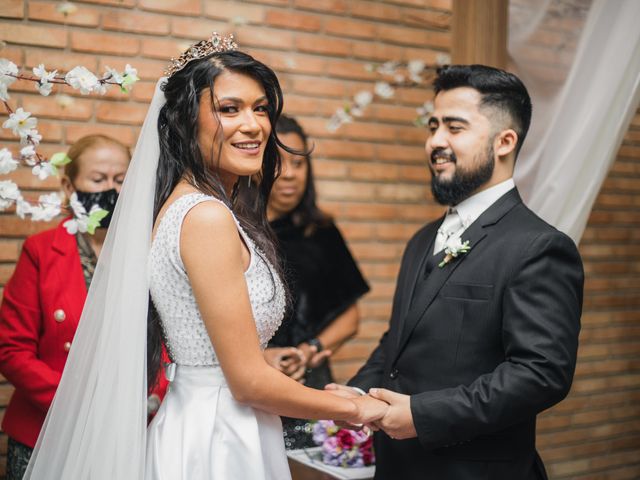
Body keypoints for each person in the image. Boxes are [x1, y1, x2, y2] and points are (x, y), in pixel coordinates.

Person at [23, 33, 387, 480]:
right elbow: (247, 380)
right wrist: (354, 407)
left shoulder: (189, 206)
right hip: (217, 438)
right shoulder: (206, 217)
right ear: (185, 121)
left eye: (260, 108)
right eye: (229, 109)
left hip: (220, 422)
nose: (254, 125)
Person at [327, 64, 584, 480]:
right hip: (396, 468)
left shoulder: (539, 247)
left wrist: (422, 414)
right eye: (433, 126)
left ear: (504, 141)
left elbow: (541, 373)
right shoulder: (421, 240)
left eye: (454, 127)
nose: (435, 141)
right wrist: (358, 396)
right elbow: (400, 341)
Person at [0, 135, 167, 480]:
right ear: (68, 184)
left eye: (121, 180)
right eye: (98, 180)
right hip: (46, 431)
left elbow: (167, 343)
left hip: (127, 432)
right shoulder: (42, 251)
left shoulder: (150, 254)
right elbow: (11, 350)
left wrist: (146, 403)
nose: (111, 189)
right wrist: (76, 405)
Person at [263, 115, 370, 449]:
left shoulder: (320, 232)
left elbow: (350, 319)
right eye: (278, 162)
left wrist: (307, 353)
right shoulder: (232, 227)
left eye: (298, 163)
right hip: (249, 384)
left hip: (309, 384)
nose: (291, 173)